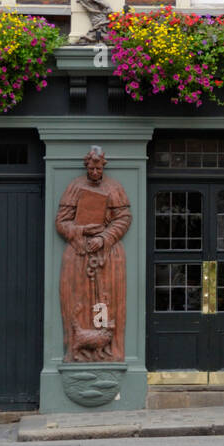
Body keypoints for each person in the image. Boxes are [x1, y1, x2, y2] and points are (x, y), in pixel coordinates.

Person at [55, 146, 131, 361]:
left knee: (102, 299)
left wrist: (103, 238)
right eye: (91, 169)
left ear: (103, 167)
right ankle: (78, 348)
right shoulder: (76, 187)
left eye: (98, 169)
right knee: (80, 299)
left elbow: (123, 218)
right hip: (79, 254)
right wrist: (82, 231)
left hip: (105, 254)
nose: (95, 173)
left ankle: (101, 348)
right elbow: (61, 222)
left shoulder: (114, 187)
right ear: (86, 167)